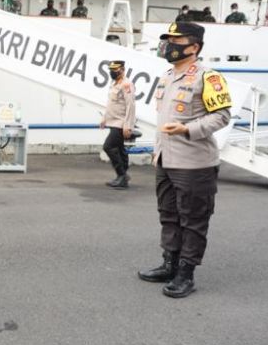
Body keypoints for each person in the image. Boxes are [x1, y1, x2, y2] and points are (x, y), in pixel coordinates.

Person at [138, 21, 231, 298]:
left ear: (194, 47)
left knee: (193, 219)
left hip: (194, 164)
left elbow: (222, 116)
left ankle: (186, 273)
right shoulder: (167, 76)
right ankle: (170, 264)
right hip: (166, 160)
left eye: (176, 41)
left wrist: (187, 129)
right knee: (168, 215)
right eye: (168, 40)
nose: (169, 45)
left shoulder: (209, 77)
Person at [99, 60, 136, 189]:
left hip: (121, 123)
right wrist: (104, 118)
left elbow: (130, 106)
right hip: (113, 121)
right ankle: (122, 176)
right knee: (120, 149)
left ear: (122, 69)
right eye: (111, 70)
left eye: (115, 70)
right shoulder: (114, 84)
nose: (112, 72)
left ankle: (122, 175)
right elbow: (111, 104)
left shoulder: (127, 84)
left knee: (108, 146)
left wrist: (128, 125)